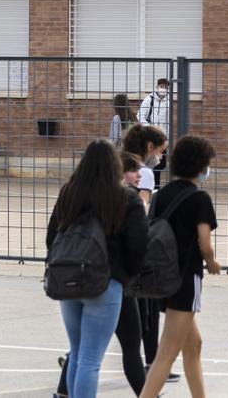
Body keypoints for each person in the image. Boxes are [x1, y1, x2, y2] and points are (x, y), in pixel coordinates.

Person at [47, 140, 148, 398]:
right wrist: (125, 276)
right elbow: (137, 247)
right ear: (115, 166)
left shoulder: (69, 193)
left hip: (69, 278)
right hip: (107, 283)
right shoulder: (126, 198)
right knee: (91, 360)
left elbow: (52, 237)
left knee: (78, 353)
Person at [139, 135, 220, 398]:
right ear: (200, 166)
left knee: (193, 344)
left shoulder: (163, 195)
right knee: (167, 352)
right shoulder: (200, 199)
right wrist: (211, 261)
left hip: (164, 278)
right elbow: (205, 242)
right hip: (186, 279)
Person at [122, 123, 181, 384]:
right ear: (149, 147)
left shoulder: (118, 163)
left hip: (116, 245)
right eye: (160, 151)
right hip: (138, 246)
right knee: (145, 311)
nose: (161, 157)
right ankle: (153, 364)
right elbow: (142, 208)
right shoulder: (144, 173)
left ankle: (72, 358)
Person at [137, 78, 172, 187]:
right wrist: (150, 128)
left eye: (166, 87)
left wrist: (167, 138)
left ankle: (155, 187)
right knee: (148, 163)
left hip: (161, 138)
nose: (163, 89)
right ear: (157, 87)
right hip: (150, 137)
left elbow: (168, 122)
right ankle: (146, 186)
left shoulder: (168, 102)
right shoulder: (149, 99)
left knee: (159, 165)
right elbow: (140, 116)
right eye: (161, 86)